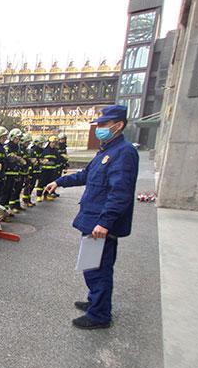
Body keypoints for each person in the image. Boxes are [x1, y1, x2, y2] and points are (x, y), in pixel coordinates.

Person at [45, 105, 139, 329]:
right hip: (92, 219)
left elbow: (120, 192)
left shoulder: (123, 152)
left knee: (98, 268)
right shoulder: (107, 151)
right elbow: (85, 175)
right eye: (99, 125)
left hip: (100, 224)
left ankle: (99, 315)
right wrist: (59, 181)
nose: (99, 129)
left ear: (119, 125)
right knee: (91, 265)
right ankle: (95, 302)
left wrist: (105, 222)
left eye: (104, 125)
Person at [39, 136, 61, 202]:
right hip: (44, 170)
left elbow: (58, 161)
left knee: (49, 183)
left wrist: (57, 170)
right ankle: (39, 195)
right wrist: (43, 162)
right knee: (41, 183)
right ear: (49, 143)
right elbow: (40, 159)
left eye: (55, 143)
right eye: (52, 142)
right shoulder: (44, 150)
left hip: (52, 171)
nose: (53, 144)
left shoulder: (56, 152)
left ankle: (46, 195)